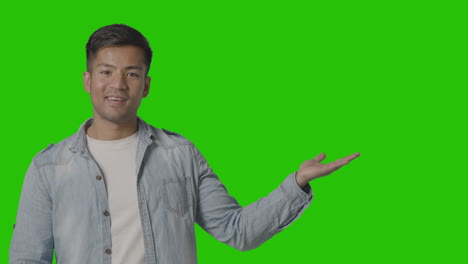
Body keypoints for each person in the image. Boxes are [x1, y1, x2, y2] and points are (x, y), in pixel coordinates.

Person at [9, 24, 360, 264]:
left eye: (132, 73)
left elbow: (237, 231)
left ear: (146, 85)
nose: (118, 84)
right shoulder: (49, 168)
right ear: (88, 80)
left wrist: (296, 184)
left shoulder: (180, 155)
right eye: (106, 72)